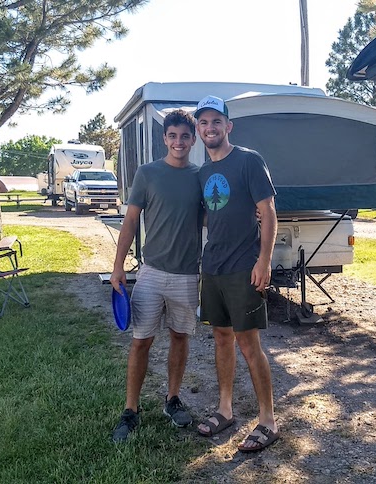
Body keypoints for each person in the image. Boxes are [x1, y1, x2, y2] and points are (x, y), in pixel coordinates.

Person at [110, 109, 203, 443]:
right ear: (164, 138)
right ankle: (130, 411)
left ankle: (172, 399)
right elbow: (131, 221)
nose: (179, 142)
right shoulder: (147, 174)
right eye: (173, 136)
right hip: (150, 272)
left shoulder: (201, 177)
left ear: (193, 140)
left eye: (185, 136)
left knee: (180, 337)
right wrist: (118, 266)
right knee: (141, 341)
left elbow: (211, 219)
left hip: (187, 275)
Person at [194, 95, 280, 452]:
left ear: (228, 126)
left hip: (244, 266)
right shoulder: (201, 173)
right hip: (212, 266)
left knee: (249, 344)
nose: (209, 128)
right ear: (198, 129)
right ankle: (225, 409)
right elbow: (206, 215)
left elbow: (269, 211)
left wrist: (264, 260)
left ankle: (268, 421)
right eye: (203, 123)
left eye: (216, 121)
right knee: (221, 338)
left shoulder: (248, 161)